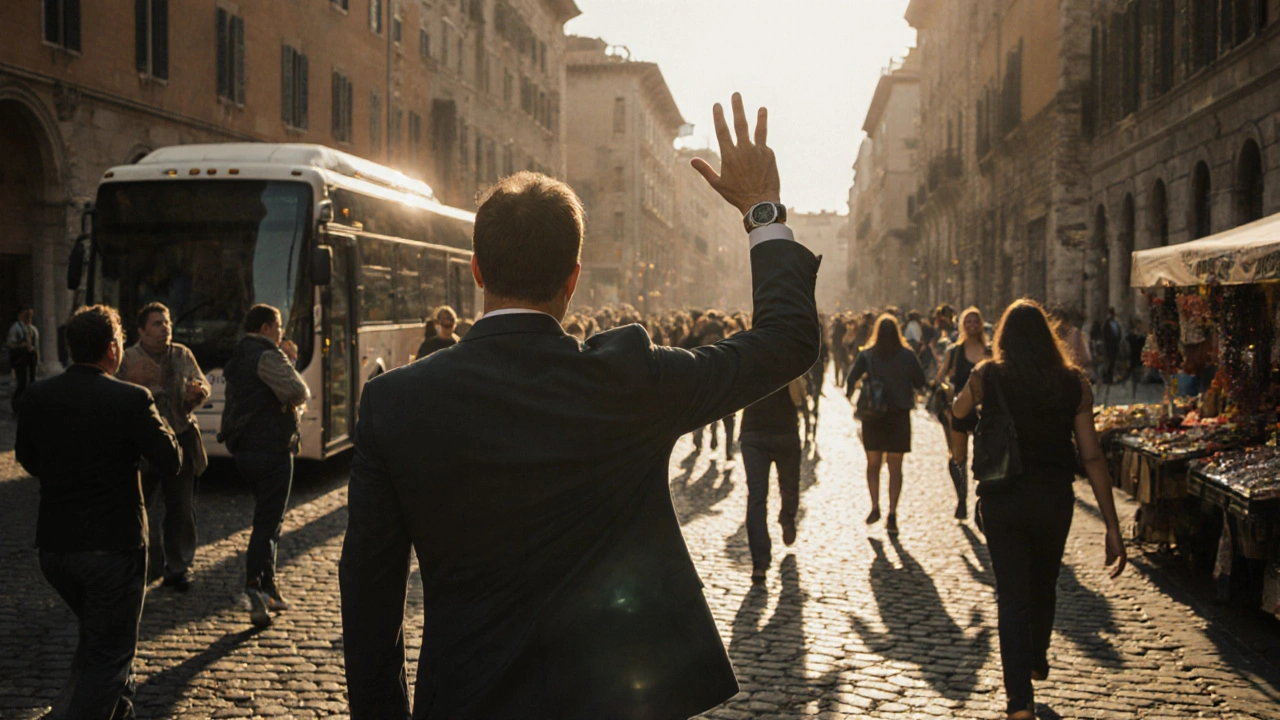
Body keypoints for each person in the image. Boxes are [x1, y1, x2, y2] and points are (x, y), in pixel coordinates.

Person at [339, 93, 820, 719]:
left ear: (477, 271)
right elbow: (787, 341)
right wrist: (763, 214)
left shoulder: (393, 402)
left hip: (465, 700)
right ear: (574, 278)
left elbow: (370, 598)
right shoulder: (630, 379)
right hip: (616, 700)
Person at [951, 299, 1126, 720]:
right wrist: (1112, 526)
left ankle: (1019, 703)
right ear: (1049, 338)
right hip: (1053, 500)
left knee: (1011, 596)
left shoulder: (986, 375)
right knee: (1044, 583)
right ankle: (1036, 657)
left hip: (1002, 499)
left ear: (1003, 337)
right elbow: (1092, 456)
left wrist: (958, 457)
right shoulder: (1073, 383)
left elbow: (956, 413)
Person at [16, 305, 181, 720]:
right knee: (111, 653)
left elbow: (27, 457)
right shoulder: (131, 398)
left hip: (56, 548)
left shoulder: (37, 395)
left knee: (98, 637)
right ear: (113, 349)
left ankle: (113, 710)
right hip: (113, 548)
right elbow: (171, 459)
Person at [219, 304, 310, 628]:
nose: (281, 331)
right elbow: (299, 391)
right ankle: (255, 587)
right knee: (268, 521)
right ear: (269, 326)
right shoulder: (268, 354)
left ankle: (269, 587)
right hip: (271, 447)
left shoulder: (240, 352)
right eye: (279, 325)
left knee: (268, 518)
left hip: (245, 449)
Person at [117, 302, 210, 591]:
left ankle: (178, 567)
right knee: (138, 507)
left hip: (179, 440)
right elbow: (112, 393)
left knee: (181, 509)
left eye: (167, 323)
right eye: (157, 324)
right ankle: (143, 565)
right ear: (142, 331)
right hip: (142, 445)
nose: (164, 328)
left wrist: (199, 392)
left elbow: (202, 385)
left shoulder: (182, 354)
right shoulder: (127, 358)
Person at [845, 314, 926, 535]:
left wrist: (853, 395)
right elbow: (921, 382)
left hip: (873, 416)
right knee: (895, 466)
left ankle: (874, 506)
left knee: (873, 464)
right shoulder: (908, 356)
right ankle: (892, 513)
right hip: (899, 416)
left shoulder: (867, 355)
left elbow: (851, 378)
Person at [740, 380, 803, 584]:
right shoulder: (789, 352)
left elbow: (799, 397)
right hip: (769, 434)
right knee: (773, 492)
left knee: (767, 494)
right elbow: (800, 398)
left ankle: (785, 520)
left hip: (769, 433)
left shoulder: (751, 352)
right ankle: (760, 560)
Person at [934, 307, 990, 520]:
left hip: (985, 411)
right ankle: (961, 499)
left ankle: (982, 499)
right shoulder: (954, 351)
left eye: (976, 321)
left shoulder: (988, 351)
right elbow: (940, 377)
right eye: (968, 321)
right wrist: (949, 390)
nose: (972, 325)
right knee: (958, 457)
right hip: (959, 408)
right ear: (962, 325)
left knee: (984, 455)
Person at [7, 305, 39, 414]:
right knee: (21, 383)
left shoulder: (32, 329)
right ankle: (17, 407)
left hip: (30, 359)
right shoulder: (16, 328)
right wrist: (22, 346)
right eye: (27, 316)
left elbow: (35, 345)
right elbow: (10, 344)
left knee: (31, 381)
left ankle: (29, 406)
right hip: (20, 359)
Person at [1102, 307, 1123, 385]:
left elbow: (1119, 332)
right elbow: (1105, 335)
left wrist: (1118, 340)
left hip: (1115, 345)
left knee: (1113, 362)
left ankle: (1110, 377)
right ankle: (1108, 378)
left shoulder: (1116, 323)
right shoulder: (1106, 323)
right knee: (1109, 362)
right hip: (1109, 346)